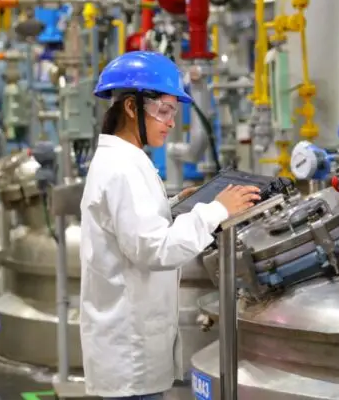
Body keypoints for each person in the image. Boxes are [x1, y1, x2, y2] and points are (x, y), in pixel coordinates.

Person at [79, 51, 261, 400]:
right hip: (129, 351)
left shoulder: (125, 160)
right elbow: (154, 249)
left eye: (173, 113)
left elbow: (131, 226)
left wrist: (174, 204)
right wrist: (216, 210)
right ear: (131, 107)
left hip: (130, 345)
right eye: (163, 111)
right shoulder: (122, 169)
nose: (171, 122)